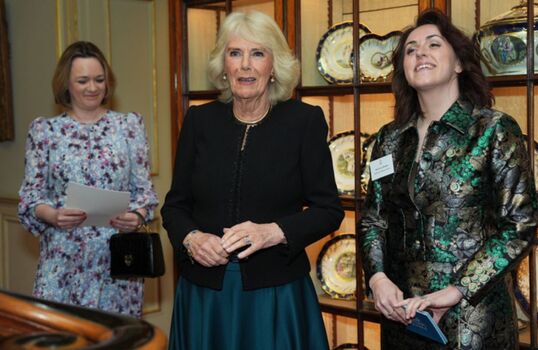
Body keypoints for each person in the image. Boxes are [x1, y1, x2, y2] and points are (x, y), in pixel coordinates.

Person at [161, 10, 344, 350]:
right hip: (204, 296)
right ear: (224, 65)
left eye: (257, 53)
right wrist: (191, 238)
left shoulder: (304, 121)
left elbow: (328, 210)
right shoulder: (200, 120)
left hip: (275, 296)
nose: (245, 65)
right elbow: (174, 207)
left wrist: (272, 232)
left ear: (274, 66)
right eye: (235, 53)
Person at [359, 9, 537, 349]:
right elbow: (374, 218)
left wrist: (457, 290)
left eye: (433, 44)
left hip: (473, 314)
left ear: (458, 64)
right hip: (404, 314)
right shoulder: (389, 139)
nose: (419, 53)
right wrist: (378, 278)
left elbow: (519, 225)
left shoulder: (494, 129)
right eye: (410, 50)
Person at [18, 41, 158, 318]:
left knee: (115, 341)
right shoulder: (45, 131)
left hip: (119, 266)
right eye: (82, 80)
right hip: (61, 263)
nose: (92, 88)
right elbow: (30, 198)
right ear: (66, 84)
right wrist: (54, 215)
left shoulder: (129, 126)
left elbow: (145, 194)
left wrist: (138, 216)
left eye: (99, 80)